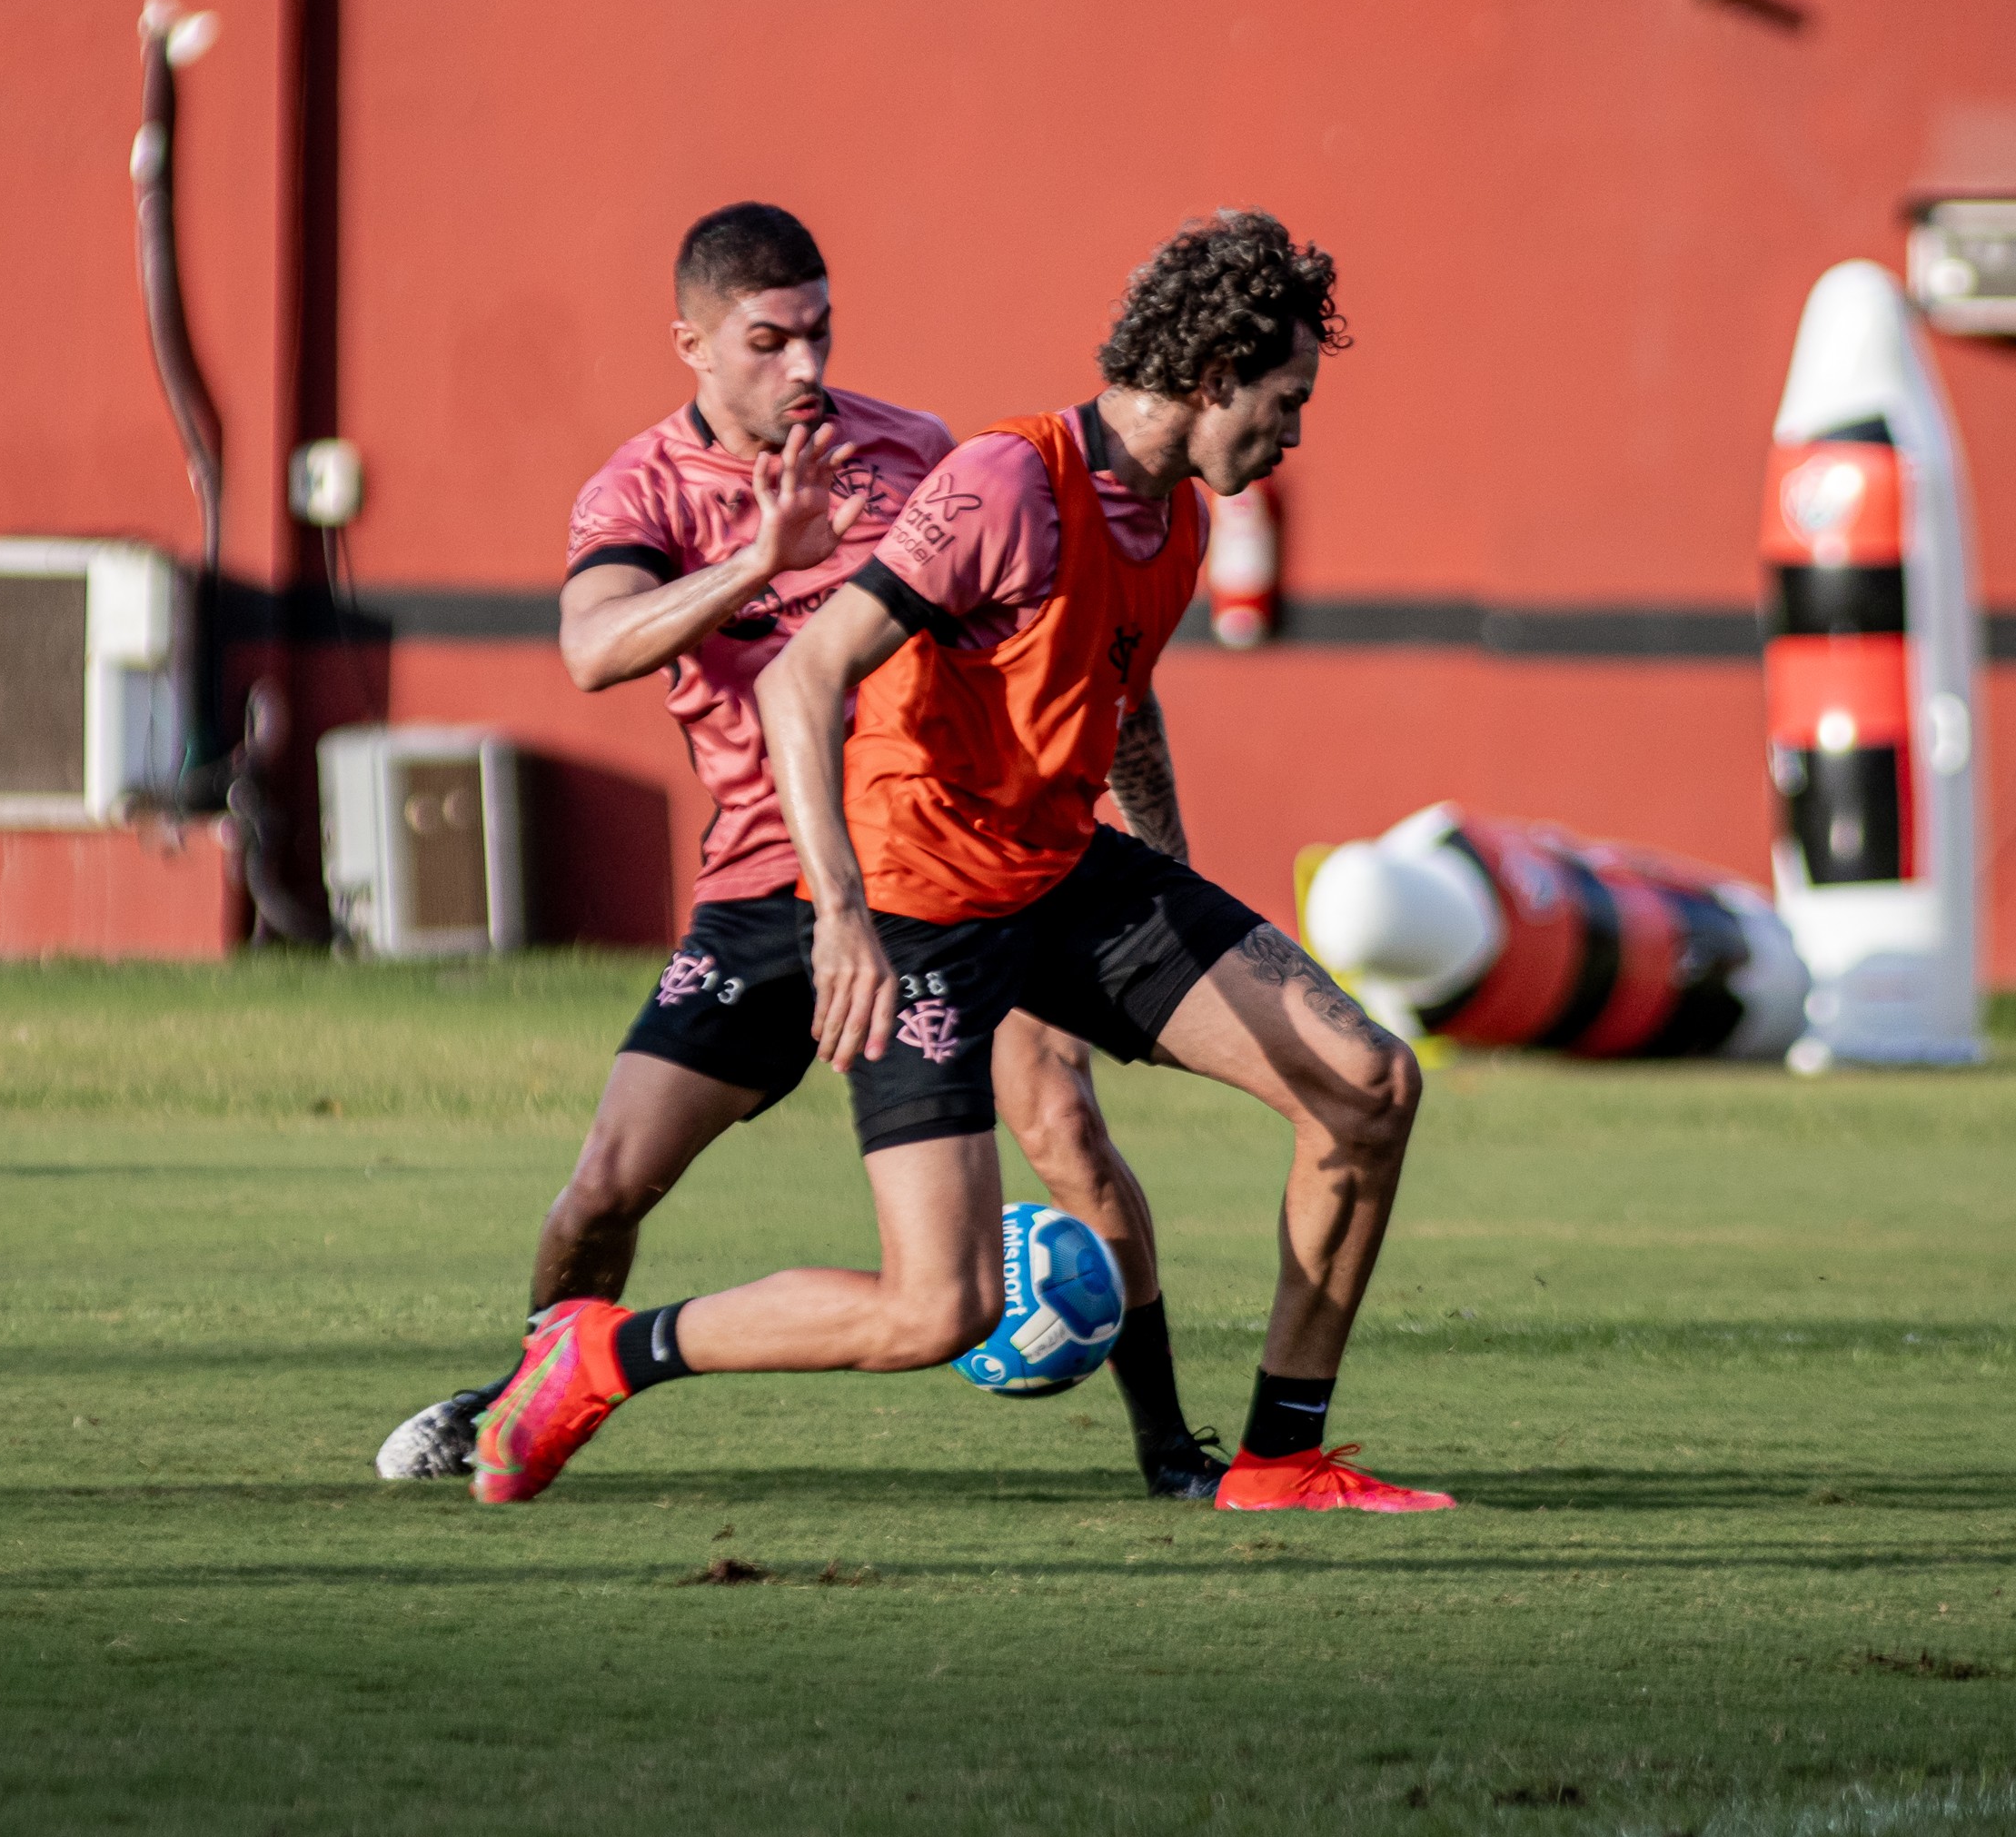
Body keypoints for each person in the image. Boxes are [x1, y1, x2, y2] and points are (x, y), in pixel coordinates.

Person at [469, 209, 1450, 1514]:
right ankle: (600, 1348)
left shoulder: (1174, 518)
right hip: (918, 905)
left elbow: (1119, 696)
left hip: (1059, 873)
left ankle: (1274, 1458)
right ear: (1214, 379)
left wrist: (1174, 881)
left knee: (1368, 1083)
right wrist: (843, 919)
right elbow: (802, 683)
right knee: (937, 1306)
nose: (1296, 433)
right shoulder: (1006, 482)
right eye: (1286, 400)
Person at [375, 203, 1226, 1502]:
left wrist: (1160, 856)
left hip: (945, 871)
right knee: (605, 1189)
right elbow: (594, 648)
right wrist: (758, 564)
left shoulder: (918, 453)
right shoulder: (642, 489)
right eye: (768, 341)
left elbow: (1062, 652)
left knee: (1065, 1122)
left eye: (819, 332)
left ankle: (1170, 1447)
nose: (807, 367)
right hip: (764, 889)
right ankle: (529, 1393)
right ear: (694, 346)